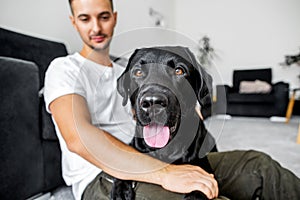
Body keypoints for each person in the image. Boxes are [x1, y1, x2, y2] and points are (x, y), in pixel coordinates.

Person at [44, 0, 300, 199]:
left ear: (114, 18)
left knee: (261, 167)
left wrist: (188, 107)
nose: (96, 27)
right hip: (102, 175)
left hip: (158, 157)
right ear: (73, 21)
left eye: (103, 16)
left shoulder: (130, 68)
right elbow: (79, 138)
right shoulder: (64, 68)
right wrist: (164, 174)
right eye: (85, 18)